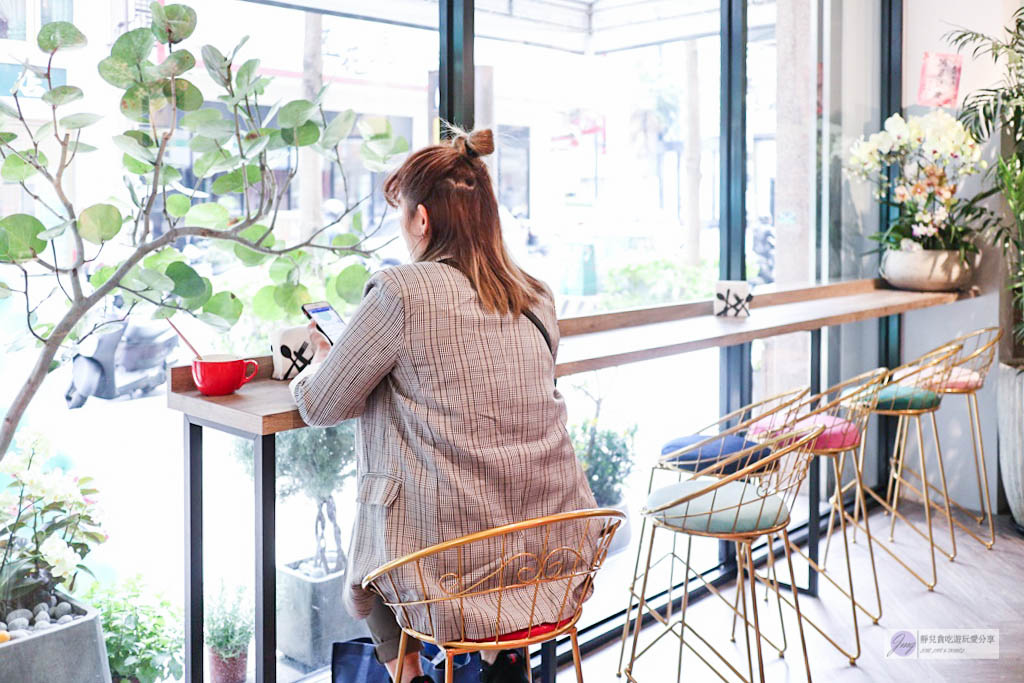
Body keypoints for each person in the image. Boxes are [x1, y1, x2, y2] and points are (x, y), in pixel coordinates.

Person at [289, 128, 598, 683]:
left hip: (450, 576)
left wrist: (319, 356)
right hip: (550, 561)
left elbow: (322, 404)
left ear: (423, 219)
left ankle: (411, 676)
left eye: (402, 214)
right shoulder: (535, 296)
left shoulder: (401, 292)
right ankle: (503, 664)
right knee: (494, 551)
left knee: (376, 573)